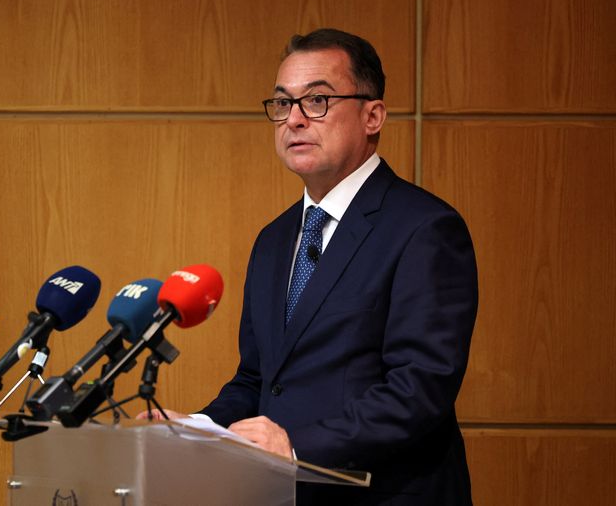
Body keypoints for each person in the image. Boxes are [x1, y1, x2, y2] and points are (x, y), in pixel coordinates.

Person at [145, 28, 478, 505]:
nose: (294, 120)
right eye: (282, 104)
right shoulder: (275, 239)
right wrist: (196, 429)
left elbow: (418, 389)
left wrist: (298, 447)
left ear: (372, 115)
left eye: (317, 100)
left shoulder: (424, 228)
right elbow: (259, 381)